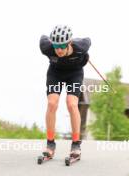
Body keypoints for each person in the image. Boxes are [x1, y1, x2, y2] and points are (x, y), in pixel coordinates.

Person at [39, 25, 91, 158]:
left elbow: (88, 39)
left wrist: (84, 57)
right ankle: (50, 143)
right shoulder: (46, 47)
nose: (59, 50)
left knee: (72, 104)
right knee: (52, 103)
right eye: (56, 46)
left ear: (69, 43)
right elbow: (43, 37)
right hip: (55, 74)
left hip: (74, 74)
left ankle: (76, 144)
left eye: (62, 46)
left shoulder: (81, 46)